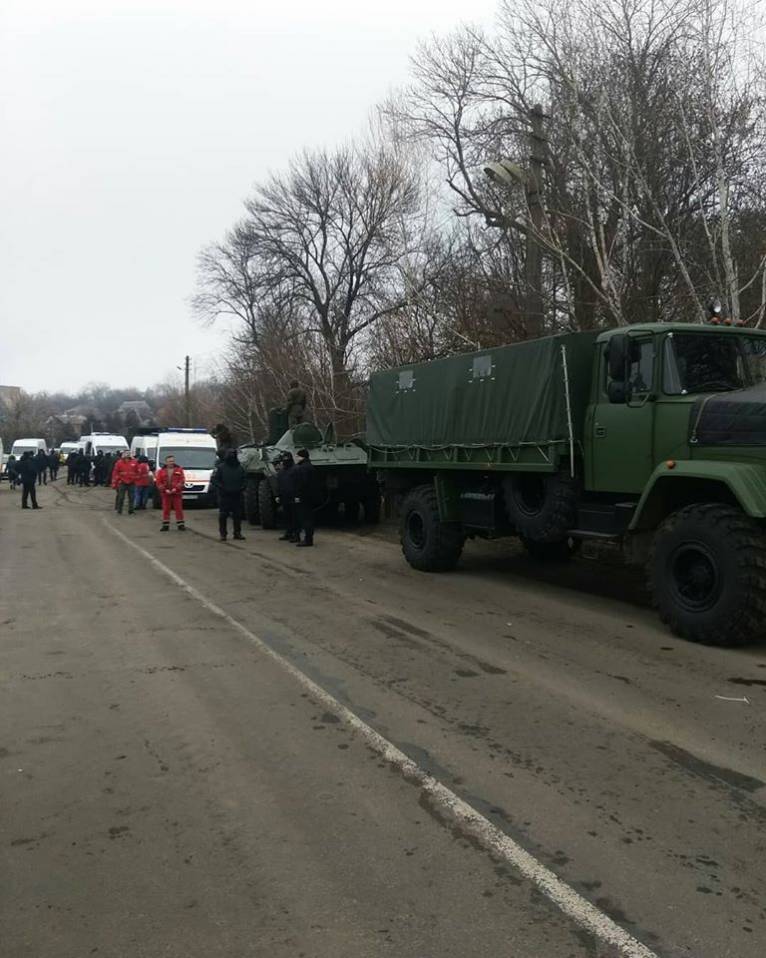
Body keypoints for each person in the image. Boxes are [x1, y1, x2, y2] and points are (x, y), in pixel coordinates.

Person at [211, 448, 246, 541]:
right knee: (223, 515)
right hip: (224, 495)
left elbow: (244, 479)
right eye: (230, 454)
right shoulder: (221, 467)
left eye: (233, 454)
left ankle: (237, 533)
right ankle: (223, 534)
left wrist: (242, 487)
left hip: (237, 495)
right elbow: (214, 479)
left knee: (237, 515)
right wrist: (222, 487)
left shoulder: (240, 468)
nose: (232, 456)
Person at [292, 447, 318, 547]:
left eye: (298, 456)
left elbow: (302, 484)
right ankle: (308, 538)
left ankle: (308, 540)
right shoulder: (310, 466)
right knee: (309, 518)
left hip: (304, 497)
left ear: (302, 457)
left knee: (306, 518)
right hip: (310, 496)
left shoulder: (302, 468)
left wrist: (298, 496)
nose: (296, 458)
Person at [155, 454, 186, 531]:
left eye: (172, 461)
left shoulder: (179, 470)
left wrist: (176, 489)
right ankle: (166, 525)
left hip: (176, 493)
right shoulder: (161, 471)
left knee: (178, 509)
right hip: (166, 493)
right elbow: (159, 482)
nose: (171, 462)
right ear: (166, 462)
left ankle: (181, 525)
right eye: (169, 461)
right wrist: (165, 490)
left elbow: (182, 481)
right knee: (166, 509)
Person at [275, 453, 298, 542]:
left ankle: (296, 535)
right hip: (285, 496)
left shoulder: (296, 470)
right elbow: (279, 484)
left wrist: (298, 495)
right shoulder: (281, 472)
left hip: (293, 496)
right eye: (284, 459)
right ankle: (288, 533)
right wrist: (278, 495)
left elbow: (299, 484)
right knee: (287, 516)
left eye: (286, 459)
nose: (285, 461)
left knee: (295, 517)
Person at [111, 450, 138, 515]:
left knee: (132, 497)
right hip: (122, 482)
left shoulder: (134, 462)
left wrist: (135, 479)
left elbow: (137, 472)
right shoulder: (119, 463)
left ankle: (131, 511)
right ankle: (119, 510)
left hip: (132, 482)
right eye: (126, 455)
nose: (127, 456)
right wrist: (115, 482)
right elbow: (115, 473)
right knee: (121, 497)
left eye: (128, 455)